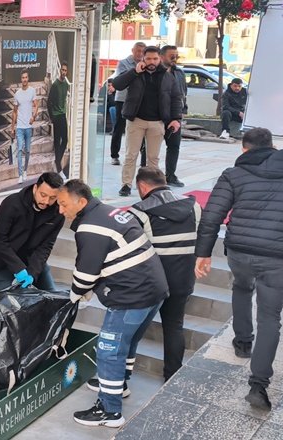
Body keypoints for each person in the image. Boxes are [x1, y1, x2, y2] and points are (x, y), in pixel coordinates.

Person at [194, 128, 283, 410]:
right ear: (272, 146)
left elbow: (212, 215)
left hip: (241, 251)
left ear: (245, 150)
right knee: (270, 317)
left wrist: (203, 253)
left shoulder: (234, 174)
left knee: (242, 288)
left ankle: (243, 342)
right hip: (279, 256)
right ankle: (258, 385)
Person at [56, 179, 168, 428]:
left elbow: (85, 273)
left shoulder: (91, 227)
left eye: (63, 205)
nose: (61, 211)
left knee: (109, 350)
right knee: (126, 343)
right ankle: (119, 383)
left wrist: (74, 296)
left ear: (81, 202)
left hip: (131, 295)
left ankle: (109, 410)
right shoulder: (108, 211)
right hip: (153, 290)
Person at [129, 167, 200, 381]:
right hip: (184, 278)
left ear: (142, 186)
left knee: (131, 330)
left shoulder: (139, 212)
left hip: (152, 281)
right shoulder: (194, 206)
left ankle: (121, 377)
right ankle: (172, 376)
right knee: (174, 326)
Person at [111, 46, 183, 198]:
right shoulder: (135, 72)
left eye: (155, 59)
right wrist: (134, 72)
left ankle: (151, 186)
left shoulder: (167, 76)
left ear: (159, 59)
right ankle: (126, 184)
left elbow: (176, 98)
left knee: (153, 158)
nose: (152, 62)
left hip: (157, 122)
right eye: (149, 58)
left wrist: (176, 119)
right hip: (136, 120)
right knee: (131, 155)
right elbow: (117, 84)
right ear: (143, 58)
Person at [0, 172, 65, 293]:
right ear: (35, 188)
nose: (46, 201)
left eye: (52, 198)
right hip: (2, 260)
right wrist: (19, 268)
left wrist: (32, 273)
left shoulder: (58, 213)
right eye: (43, 195)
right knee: (7, 305)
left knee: (52, 298)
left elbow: (45, 247)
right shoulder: (12, 203)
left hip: (32, 260)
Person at [107, 42, 145, 166]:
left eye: (142, 51)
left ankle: (142, 157)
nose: (140, 53)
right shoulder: (123, 63)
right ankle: (114, 155)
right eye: (137, 51)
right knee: (119, 127)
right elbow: (121, 79)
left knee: (140, 127)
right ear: (132, 50)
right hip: (123, 99)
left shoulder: (146, 64)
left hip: (139, 100)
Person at [160, 45, 188, 187]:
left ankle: (170, 175)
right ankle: (148, 177)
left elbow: (183, 93)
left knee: (174, 146)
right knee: (149, 149)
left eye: (176, 55)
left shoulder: (179, 73)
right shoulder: (156, 73)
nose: (175, 58)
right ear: (162, 56)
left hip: (175, 116)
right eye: (172, 55)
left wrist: (182, 113)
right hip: (157, 117)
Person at [12, 69, 39, 184]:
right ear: (21, 79)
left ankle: (25, 170)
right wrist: (12, 127)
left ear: (28, 78)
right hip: (19, 127)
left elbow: (36, 105)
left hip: (28, 126)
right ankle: (20, 174)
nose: (24, 80)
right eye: (23, 78)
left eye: (26, 77)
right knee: (19, 150)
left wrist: (34, 117)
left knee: (27, 151)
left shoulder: (32, 91)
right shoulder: (17, 94)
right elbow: (14, 111)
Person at [47, 62, 71, 179]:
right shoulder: (55, 85)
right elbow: (49, 102)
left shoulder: (66, 85)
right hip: (56, 116)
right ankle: (58, 167)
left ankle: (57, 161)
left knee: (65, 140)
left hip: (63, 114)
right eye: (62, 70)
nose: (63, 72)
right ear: (59, 71)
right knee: (57, 141)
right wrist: (52, 117)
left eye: (65, 70)